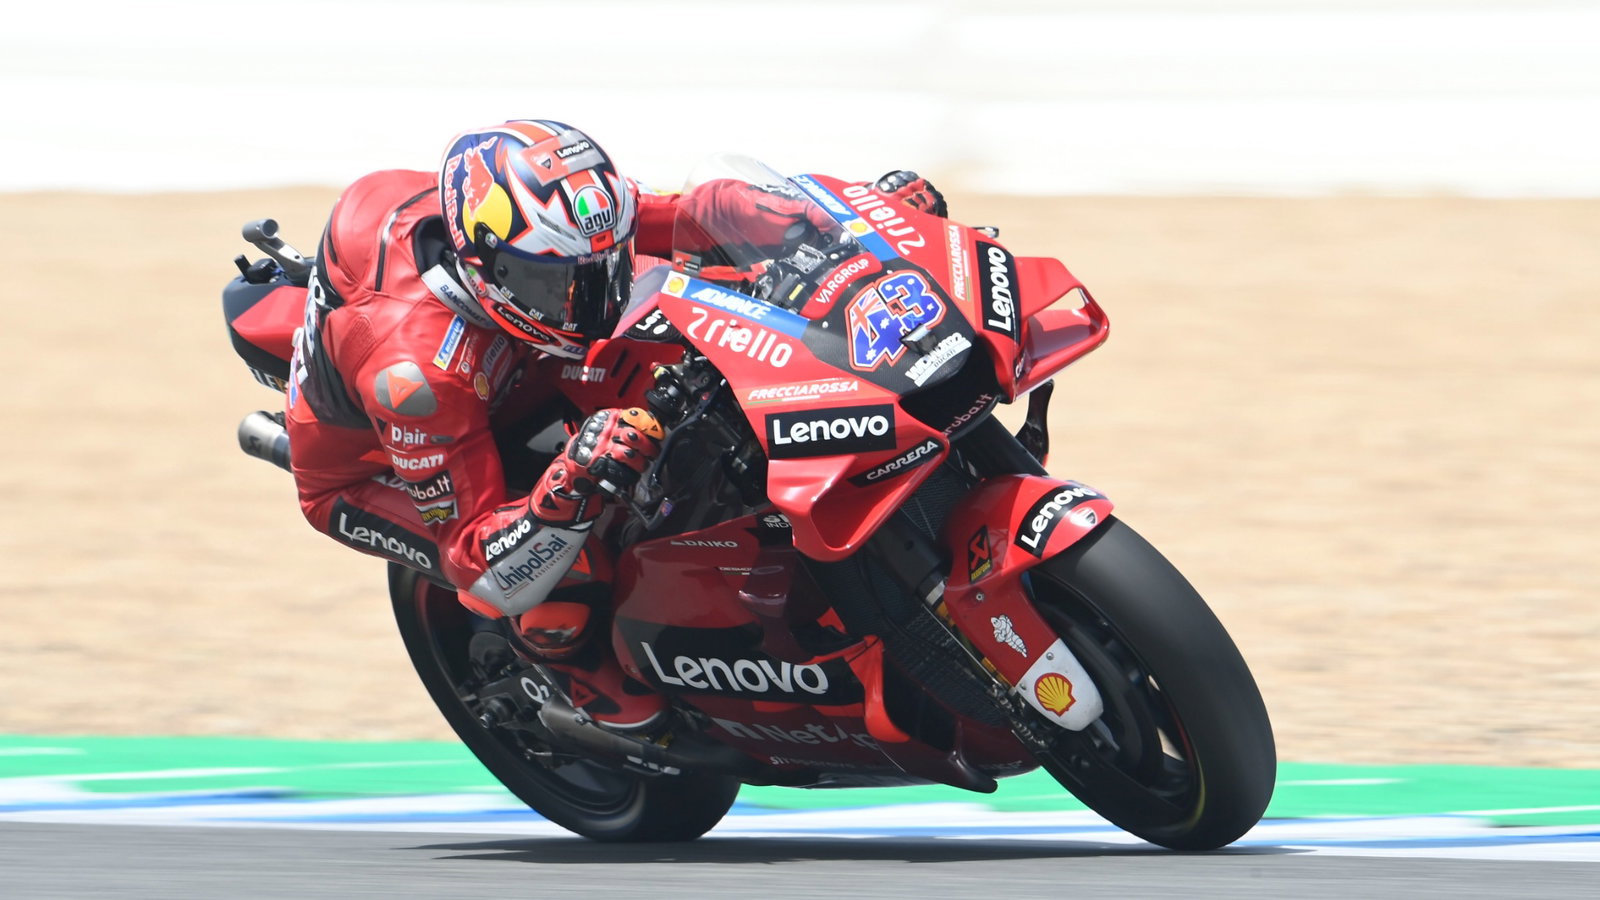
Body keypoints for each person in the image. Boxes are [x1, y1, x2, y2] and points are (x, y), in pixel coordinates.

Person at [284, 119, 945, 733]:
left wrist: (852, 217)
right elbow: (476, 561)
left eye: (600, 271)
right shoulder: (416, 375)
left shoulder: (558, 222)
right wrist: (567, 483)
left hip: (521, 365)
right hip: (373, 469)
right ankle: (579, 680)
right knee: (568, 565)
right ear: (487, 267)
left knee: (697, 315)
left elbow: (696, 215)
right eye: (556, 286)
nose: (588, 301)